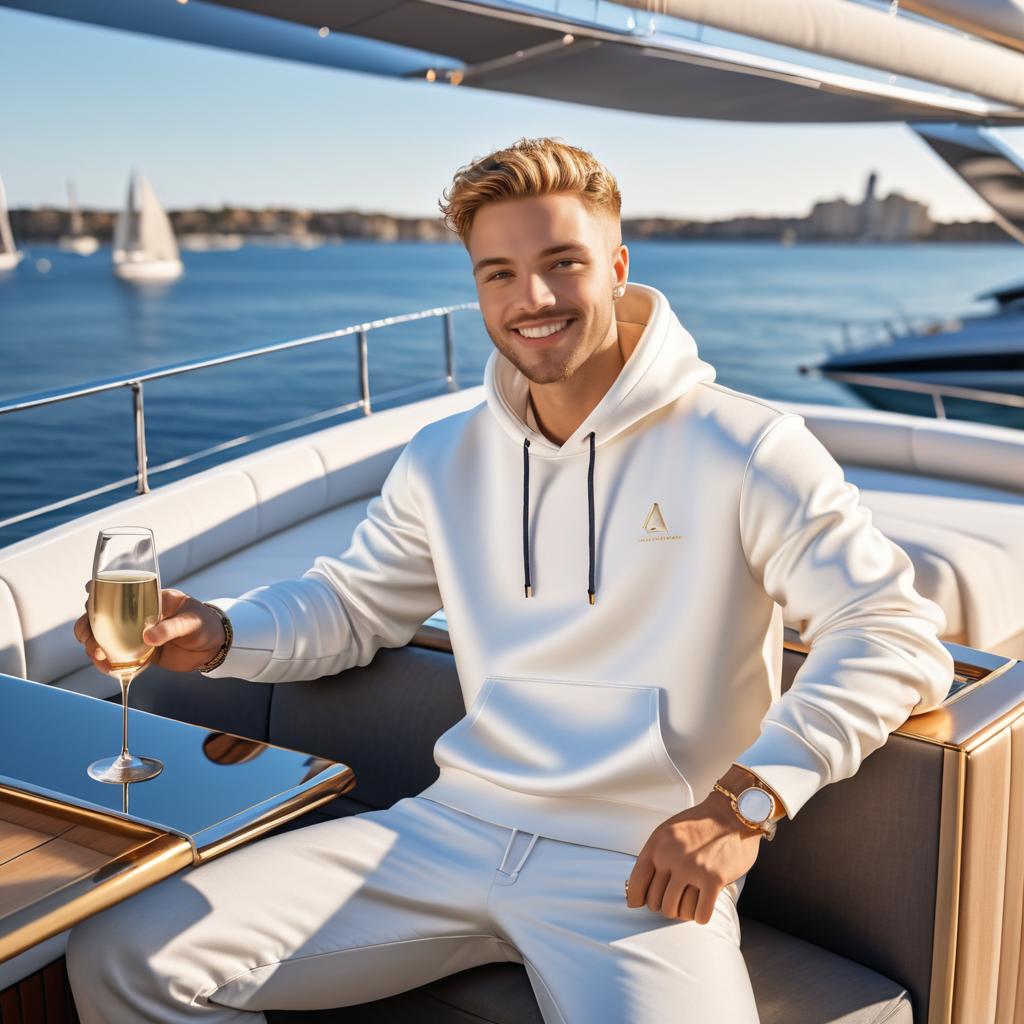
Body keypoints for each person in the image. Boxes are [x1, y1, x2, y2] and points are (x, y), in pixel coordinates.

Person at [68, 137, 955, 1023]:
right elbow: (351, 605)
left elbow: (896, 634)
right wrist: (220, 633)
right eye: (498, 273)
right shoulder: (444, 457)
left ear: (615, 267)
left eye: (561, 264)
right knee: (122, 954)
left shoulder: (747, 446)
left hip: (640, 862)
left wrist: (745, 804)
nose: (529, 299)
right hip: (448, 828)